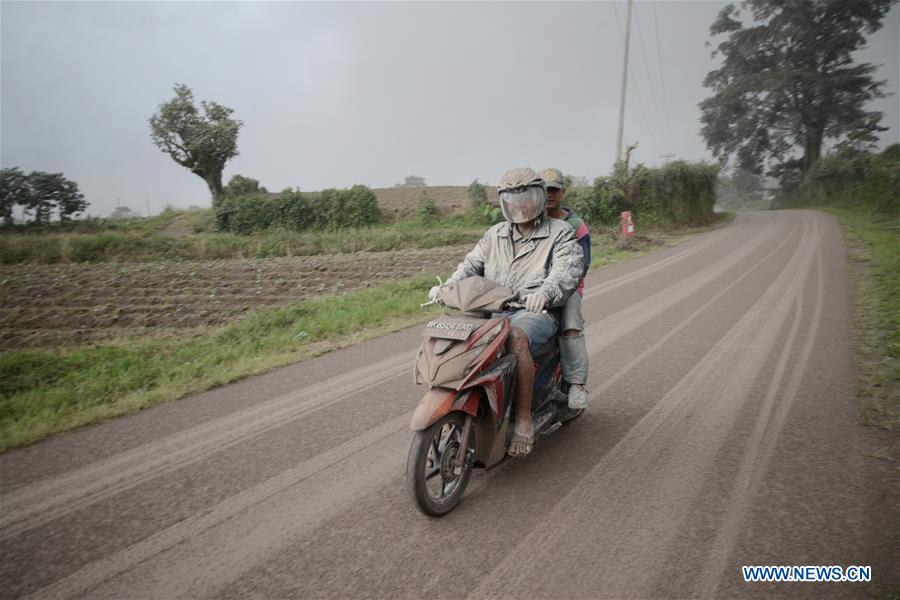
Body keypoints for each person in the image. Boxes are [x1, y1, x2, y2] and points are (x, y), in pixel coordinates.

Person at [429, 167, 584, 457]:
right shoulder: (494, 234)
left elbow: (567, 270)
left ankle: (523, 421)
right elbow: (470, 265)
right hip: (492, 309)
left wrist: (546, 293)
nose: (519, 205)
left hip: (534, 312)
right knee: (458, 331)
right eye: (512, 199)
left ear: (539, 198)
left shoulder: (560, 233)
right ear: (504, 202)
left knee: (515, 337)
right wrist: (447, 287)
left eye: (526, 198)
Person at [540, 168, 591, 409]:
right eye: (544, 190)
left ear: (563, 192)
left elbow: (583, 265)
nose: (549, 194)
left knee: (570, 323)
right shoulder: (533, 221)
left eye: (554, 190)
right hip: (533, 285)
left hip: (568, 288)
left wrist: (556, 286)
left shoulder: (576, 225)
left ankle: (576, 384)